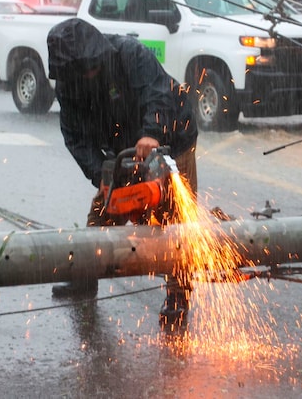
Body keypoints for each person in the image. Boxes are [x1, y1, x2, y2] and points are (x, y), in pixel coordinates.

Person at [47, 18, 198, 297]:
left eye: (92, 66)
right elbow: (76, 137)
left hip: (171, 136)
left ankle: (178, 293)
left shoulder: (130, 53)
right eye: (83, 70)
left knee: (174, 219)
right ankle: (84, 278)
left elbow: (157, 92)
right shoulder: (69, 86)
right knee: (101, 216)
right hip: (123, 146)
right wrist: (101, 174)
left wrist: (152, 133)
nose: (90, 72)